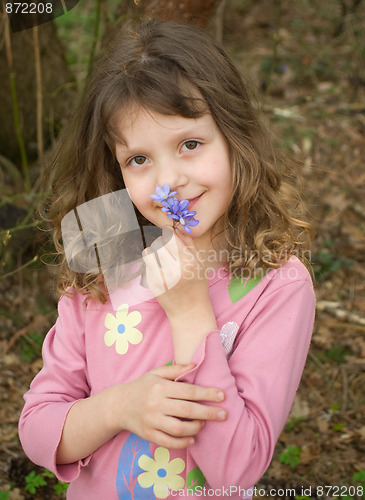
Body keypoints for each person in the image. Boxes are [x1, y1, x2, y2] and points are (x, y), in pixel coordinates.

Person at [19, 19, 316, 500]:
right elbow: (36, 430)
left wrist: (191, 312)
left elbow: (237, 471)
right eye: (138, 159)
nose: (168, 182)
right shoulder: (106, 254)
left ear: (236, 139)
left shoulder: (276, 284)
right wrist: (119, 407)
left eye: (190, 144)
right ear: (115, 169)